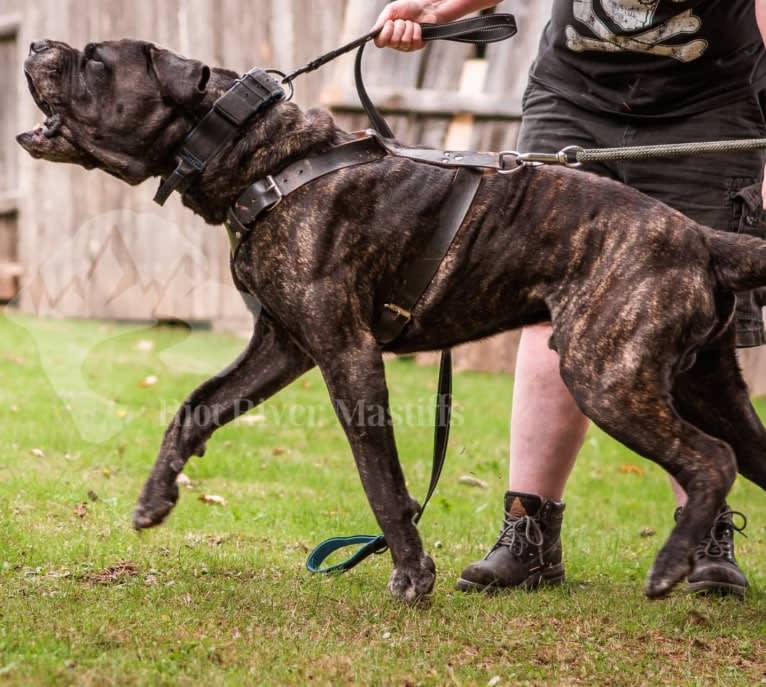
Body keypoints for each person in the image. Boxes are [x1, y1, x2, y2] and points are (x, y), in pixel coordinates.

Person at [374, 0, 765, 596]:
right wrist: (429, 11)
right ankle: (528, 533)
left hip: (708, 110)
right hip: (574, 102)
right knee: (545, 299)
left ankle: (707, 534)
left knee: (685, 313)